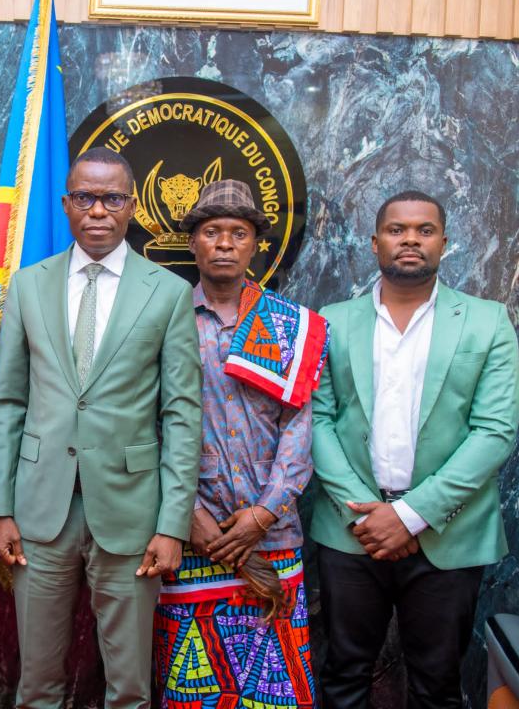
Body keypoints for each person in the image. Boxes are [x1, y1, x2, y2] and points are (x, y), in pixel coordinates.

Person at [0, 146, 202, 709]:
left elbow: (180, 414)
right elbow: (6, 402)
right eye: (85, 197)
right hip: (38, 512)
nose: (98, 210)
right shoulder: (28, 285)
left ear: (132, 207)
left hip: (131, 514)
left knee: (128, 688)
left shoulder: (169, 292)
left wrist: (173, 524)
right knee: (36, 686)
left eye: (111, 198)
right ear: (66, 204)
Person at [311, 190, 519, 708]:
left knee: (436, 686)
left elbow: (494, 431)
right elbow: (314, 420)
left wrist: (408, 515)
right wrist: (369, 516)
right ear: (375, 241)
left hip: (450, 533)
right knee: (342, 676)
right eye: (397, 229)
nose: (410, 240)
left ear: (444, 243)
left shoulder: (486, 321)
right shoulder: (331, 320)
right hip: (350, 529)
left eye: (424, 230)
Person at [154, 180, 326, 708]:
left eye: (238, 233)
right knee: (193, 687)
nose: (224, 243)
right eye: (211, 232)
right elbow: (145, 427)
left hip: (270, 539)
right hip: (190, 540)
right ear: (193, 243)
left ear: (256, 245)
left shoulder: (289, 326)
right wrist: (188, 519)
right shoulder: (163, 321)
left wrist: (262, 515)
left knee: (275, 690)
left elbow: (299, 430)